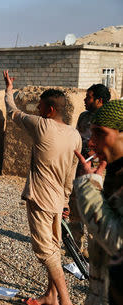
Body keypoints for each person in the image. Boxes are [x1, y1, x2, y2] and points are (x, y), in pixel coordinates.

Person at [3, 70, 81, 305]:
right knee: (54, 248)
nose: (36, 111)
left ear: (49, 110)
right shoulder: (75, 135)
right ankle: (51, 296)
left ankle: (65, 301)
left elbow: (11, 111)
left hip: (41, 198)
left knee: (46, 251)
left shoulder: (42, 125)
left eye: (40, 108)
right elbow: (71, 173)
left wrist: (8, 90)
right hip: (58, 199)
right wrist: (66, 200)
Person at [74, 99, 122, 305]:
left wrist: (87, 187)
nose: (91, 142)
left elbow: (118, 242)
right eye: (91, 134)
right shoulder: (113, 173)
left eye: (100, 133)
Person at [67, 84, 111, 255]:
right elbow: (78, 138)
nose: (85, 100)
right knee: (75, 208)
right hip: (80, 168)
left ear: (99, 101)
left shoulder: (112, 119)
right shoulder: (84, 117)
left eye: (89, 97)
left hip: (99, 171)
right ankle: (76, 246)